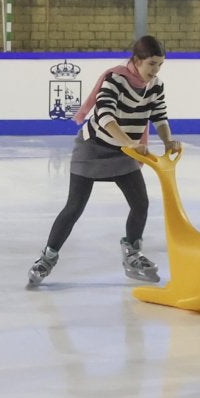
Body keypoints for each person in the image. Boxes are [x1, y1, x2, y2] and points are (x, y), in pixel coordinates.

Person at [27, 34, 182, 288]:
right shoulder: (115, 79)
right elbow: (106, 116)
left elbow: (160, 116)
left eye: (160, 65)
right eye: (151, 64)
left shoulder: (156, 85)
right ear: (137, 61)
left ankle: (132, 254)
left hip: (125, 151)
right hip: (94, 148)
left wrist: (168, 141)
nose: (155, 71)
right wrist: (128, 142)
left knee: (140, 203)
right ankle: (47, 258)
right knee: (74, 207)